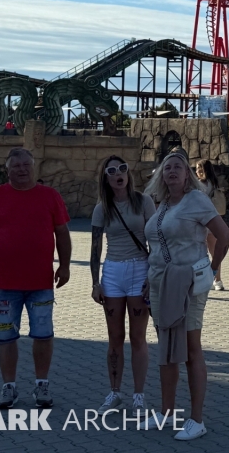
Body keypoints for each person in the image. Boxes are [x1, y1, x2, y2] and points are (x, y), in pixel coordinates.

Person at [0, 147, 72, 409]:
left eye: (26, 165)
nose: (22, 169)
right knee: (6, 336)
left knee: (43, 334)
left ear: (34, 167)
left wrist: (64, 266)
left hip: (41, 282)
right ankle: (8, 386)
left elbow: (63, 233)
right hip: (4, 282)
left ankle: (41, 384)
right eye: (16, 166)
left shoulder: (49, 196)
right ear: (7, 170)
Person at [143, 149, 229, 441]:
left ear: (187, 175)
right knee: (166, 348)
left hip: (188, 283)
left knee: (191, 348)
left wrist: (211, 269)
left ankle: (196, 419)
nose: (171, 171)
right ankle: (167, 411)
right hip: (160, 282)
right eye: (167, 167)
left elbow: (224, 235)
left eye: (178, 167)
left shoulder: (196, 199)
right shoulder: (163, 203)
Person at [90, 155, 156, 414]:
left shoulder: (144, 201)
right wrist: (95, 283)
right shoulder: (101, 208)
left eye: (123, 169)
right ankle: (115, 392)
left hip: (140, 268)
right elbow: (95, 249)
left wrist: (152, 276)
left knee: (137, 337)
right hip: (113, 271)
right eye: (112, 171)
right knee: (114, 337)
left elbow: (156, 242)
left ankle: (139, 395)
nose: (119, 174)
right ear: (106, 178)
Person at [195, 159, 227, 290]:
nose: (196, 171)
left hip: (200, 222)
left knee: (200, 252)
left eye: (197, 168)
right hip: (214, 220)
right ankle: (217, 280)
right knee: (215, 252)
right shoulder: (215, 183)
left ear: (202, 170)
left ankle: (203, 279)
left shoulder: (198, 185)